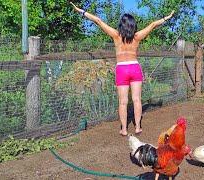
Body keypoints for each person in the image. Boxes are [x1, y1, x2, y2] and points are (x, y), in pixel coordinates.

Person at [71, 2, 174, 136]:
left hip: (122, 70)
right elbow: (153, 24)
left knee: (123, 102)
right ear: (132, 25)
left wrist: (81, 11)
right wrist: (167, 17)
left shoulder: (116, 36)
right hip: (135, 68)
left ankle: (124, 129)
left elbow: (97, 20)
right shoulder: (137, 37)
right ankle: (137, 127)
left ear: (121, 25)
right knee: (137, 99)